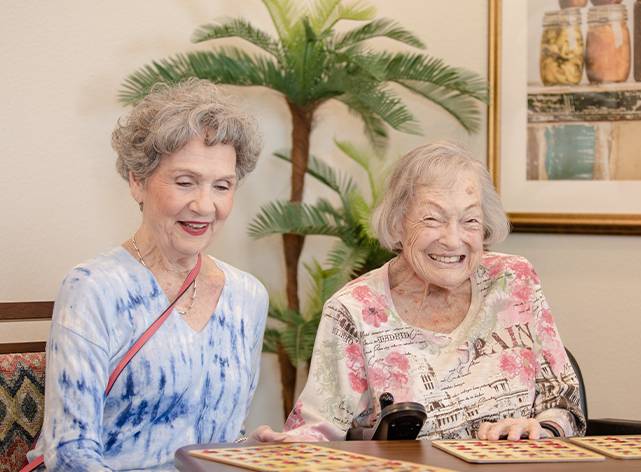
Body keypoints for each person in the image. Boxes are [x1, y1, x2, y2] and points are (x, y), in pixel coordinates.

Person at [258, 141, 586, 443]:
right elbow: (320, 431)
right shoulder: (354, 310)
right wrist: (291, 447)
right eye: (433, 219)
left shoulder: (515, 281)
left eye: (470, 220)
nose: (454, 240)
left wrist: (541, 428)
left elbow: (566, 406)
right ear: (398, 223)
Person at [27, 79, 268, 470]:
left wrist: (253, 448)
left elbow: (219, 436)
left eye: (222, 186)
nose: (205, 205)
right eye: (185, 182)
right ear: (137, 182)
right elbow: (69, 454)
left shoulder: (248, 296)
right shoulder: (93, 289)